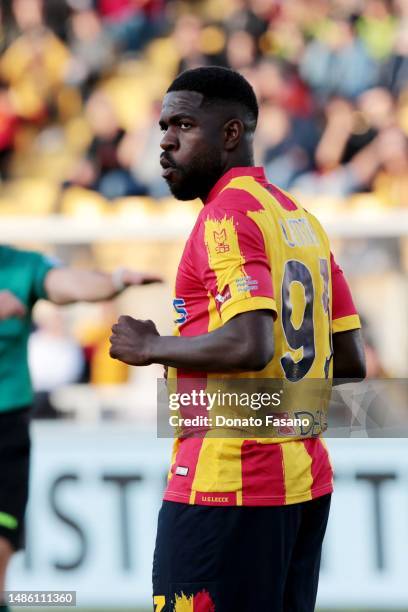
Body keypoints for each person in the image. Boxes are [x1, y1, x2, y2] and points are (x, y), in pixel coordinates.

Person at [109, 67, 366, 611]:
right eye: (163, 127)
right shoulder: (302, 220)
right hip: (305, 482)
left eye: (183, 124)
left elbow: (251, 344)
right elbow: (350, 360)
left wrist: (150, 347)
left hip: (225, 484)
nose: (165, 141)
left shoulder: (226, 216)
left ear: (231, 133)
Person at [0, 245, 160, 612]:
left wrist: (116, 280)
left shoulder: (19, 265)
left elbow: (66, 282)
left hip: (6, 426)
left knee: (0, 553)